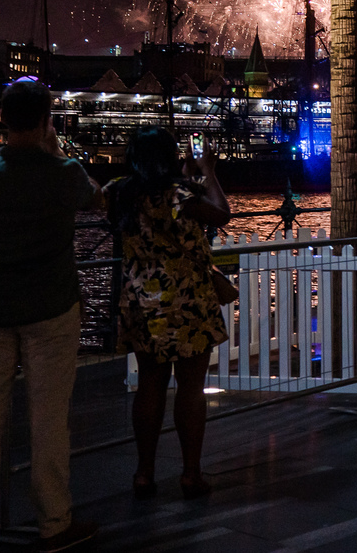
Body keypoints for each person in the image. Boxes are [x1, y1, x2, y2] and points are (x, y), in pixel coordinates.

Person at [0, 79, 103, 552]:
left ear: (1, 119)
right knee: (48, 420)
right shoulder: (65, 172)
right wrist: (55, 149)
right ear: (47, 121)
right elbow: (95, 198)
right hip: (51, 309)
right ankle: (53, 522)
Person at [106, 128, 232, 500]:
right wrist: (207, 171)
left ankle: (144, 472)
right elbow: (221, 214)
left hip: (141, 299)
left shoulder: (119, 191)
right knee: (190, 388)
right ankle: (190, 473)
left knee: (149, 385)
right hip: (186, 300)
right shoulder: (177, 195)